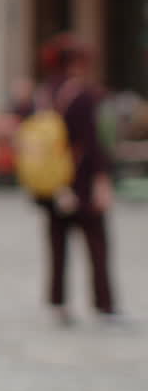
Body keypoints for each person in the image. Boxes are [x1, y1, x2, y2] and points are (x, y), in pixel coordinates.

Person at [32, 33, 123, 327]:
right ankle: (104, 304)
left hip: (53, 181)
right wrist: (101, 180)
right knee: (97, 242)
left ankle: (57, 302)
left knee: (57, 244)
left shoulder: (46, 92)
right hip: (80, 180)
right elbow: (92, 142)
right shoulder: (83, 96)